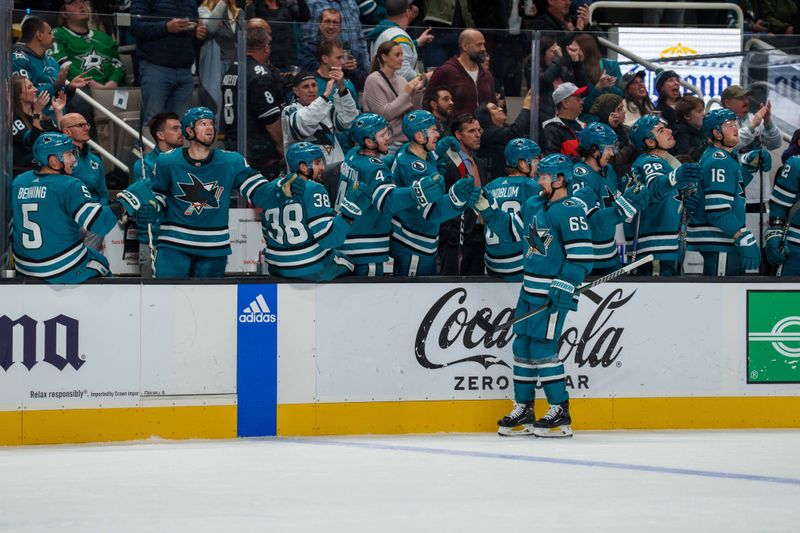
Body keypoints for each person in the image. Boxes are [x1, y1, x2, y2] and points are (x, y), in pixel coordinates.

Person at [475, 153, 593, 438]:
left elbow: (581, 257)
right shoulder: (534, 204)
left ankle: (559, 411)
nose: (537, 179)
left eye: (543, 176)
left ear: (560, 179)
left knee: (543, 349)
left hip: (553, 292)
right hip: (529, 289)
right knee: (523, 346)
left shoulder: (571, 209)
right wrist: (487, 209)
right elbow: (510, 231)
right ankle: (524, 408)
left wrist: (565, 284)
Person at [149, 107, 292, 278]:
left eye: (212, 124)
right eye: (203, 124)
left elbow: (258, 192)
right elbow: (159, 197)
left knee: (209, 303)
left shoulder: (231, 161)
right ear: (189, 130)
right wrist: (151, 207)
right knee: (166, 300)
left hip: (214, 248)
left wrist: (279, 190)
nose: (210, 128)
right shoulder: (167, 161)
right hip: (174, 246)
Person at [11, 132, 155, 283]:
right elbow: (100, 224)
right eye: (68, 154)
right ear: (53, 160)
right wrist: (129, 200)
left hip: (25, 267)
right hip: (60, 268)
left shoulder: (19, 181)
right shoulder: (69, 185)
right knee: (102, 263)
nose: (74, 160)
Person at [337, 112, 447, 276]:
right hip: (366, 248)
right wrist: (418, 191)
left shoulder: (352, 154)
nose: (388, 137)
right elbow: (388, 201)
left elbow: (381, 164)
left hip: (345, 237)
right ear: (368, 142)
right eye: (382, 135)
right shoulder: (375, 169)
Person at [260, 142, 368, 279]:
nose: (323, 167)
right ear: (303, 167)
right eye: (317, 163)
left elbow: (266, 233)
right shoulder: (314, 189)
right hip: (310, 268)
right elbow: (330, 240)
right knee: (356, 264)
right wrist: (349, 212)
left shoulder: (271, 188)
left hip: (276, 268)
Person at [389, 110, 478, 276]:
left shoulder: (410, 151)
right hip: (413, 245)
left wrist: (438, 154)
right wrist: (456, 200)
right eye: (433, 130)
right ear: (419, 136)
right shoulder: (414, 168)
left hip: (416, 242)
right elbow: (431, 212)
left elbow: (428, 168)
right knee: (413, 298)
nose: (438, 134)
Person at [687, 108, 770, 276]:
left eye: (736, 123)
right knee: (721, 300)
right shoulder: (719, 160)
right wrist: (744, 237)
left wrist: (749, 165)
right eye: (729, 125)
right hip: (718, 241)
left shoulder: (724, 157)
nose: (735, 128)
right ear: (716, 133)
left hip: (722, 241)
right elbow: (718, 211)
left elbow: (734, 187)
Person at [628, 114, 703, 276]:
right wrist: (677, 177)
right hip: (656, 245)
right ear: (649, 141)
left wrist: (687, 198)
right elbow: (656, 187)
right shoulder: (649, 161)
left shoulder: (667, 161)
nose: (669, 131)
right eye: (661, 130)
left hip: (667, 242)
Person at [222, 27, 285, 180]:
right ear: (266, 46)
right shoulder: (259, 74)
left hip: (232, 142)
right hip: (256, 148)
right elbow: (270, 118)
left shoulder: (231, 69)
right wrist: (281, 145)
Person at [131, 0, 206, 124]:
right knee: (154, 122)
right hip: (155, 68)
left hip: (185, 71)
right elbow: (136, 27)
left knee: (180, 124)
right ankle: (149, 144)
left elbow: (194, 40)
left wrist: (199, 36)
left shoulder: (190, 2)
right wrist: (166, 27)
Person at [131, 112, 185, 278]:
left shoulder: (188, 162)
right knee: (151, 300)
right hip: (154, 240)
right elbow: (147, 204)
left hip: (183, 240)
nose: (181, 132)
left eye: (180, 128)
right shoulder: (144, 165)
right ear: (160, 135)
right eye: (175, 128)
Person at [482, 138, 542, 280]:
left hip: (492, 264)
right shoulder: (532, 186)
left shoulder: (491, 186)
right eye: (534, 160)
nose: (538, 165)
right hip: (519, 264)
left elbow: (482, 218)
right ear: (522, 163)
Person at [439, 114, 490, 275]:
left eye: (479, 130)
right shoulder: (447, 162)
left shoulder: (480, 162)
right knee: (450, 287)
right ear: (458, 135)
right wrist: (449, 233)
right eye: (471, 131)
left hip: (479, 235)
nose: (478, 134)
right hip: (455, 237)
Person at [281, 69, 358, 167]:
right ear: (296, 91)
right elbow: (304, 126)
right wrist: (326, 94)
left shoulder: (326, 106)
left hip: (335, 171)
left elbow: (348, 121)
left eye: (314, 85)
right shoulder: (290, 111)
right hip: (307, 176)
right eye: (306, 87)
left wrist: (342, 88)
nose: (311, 90)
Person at [362, 41, 426, 154]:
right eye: (397, 55)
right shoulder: (373, 80)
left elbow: (415, 111)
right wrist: (407, 91)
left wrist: (417, 91)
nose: (401, 58)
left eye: (402, 54)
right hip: (386, 145)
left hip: (406, 142)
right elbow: (385, 114)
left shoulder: (401, 80)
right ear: (384, 57)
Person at [12, 15, 89, 104]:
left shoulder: (50, 59)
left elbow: (59, 94)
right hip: (37, 116)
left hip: (58, 115)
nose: (53, 37)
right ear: (39, 35)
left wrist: (70, 88)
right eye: (50, 33)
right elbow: (25, 96)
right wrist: (58, 84)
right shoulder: (19, 60)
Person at [61, 111, 108, 251]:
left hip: (91, 220)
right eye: (80, 125)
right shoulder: (58, 159)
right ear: (67, 131)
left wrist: (98, 213)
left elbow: (103, 194)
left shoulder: (95, 160)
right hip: (67, 219)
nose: (87, 128)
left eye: (87, 124)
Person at [53, 0, 126, 90]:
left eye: (82, 2)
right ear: (64, 13)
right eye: (74, 3)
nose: (81, 6)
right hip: (80, 91)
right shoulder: (58, 34)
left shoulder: (104, 37)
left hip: (111, 89)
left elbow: (118, 64)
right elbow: (61, 62)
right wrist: (88, 82)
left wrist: (113, 82)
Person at [423, 29, 496, 118]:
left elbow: (493, 106)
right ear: (465, 46)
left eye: (483, 44)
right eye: (479, 45)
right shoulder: (445, 71)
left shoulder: (487, 75)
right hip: (453, 130)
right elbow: (427, 103)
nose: (483, 49)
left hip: (483, 130)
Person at [365, 0, 434, 81]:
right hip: (399, 91)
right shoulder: (400, 37)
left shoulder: (383, 30)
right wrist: (426, 76)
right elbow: (403, 73)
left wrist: (417, 42)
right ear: (407, 12)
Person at [12, 76, 65, 175]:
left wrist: (58, 112)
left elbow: (60, 138)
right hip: (25, 172)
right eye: (29, 87)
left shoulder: (42, 115)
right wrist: (37, 112)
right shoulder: (13, 118)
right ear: (18, 94)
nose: (35, 89)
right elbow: (33, 140)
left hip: (47, 169)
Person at [314, 39, 360, 152]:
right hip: (323, 149)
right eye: (338, 58)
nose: (343, 62)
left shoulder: (347, 83)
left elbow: (355, 114)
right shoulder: (311, 86)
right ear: (325, 59)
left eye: (343, 57)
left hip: (348, 148)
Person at [475, 90, 532, 180]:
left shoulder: (505, 129)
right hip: (495, 184)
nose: (501, 109)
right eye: (495, 108)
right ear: (486, 116)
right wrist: (526, 106)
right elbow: (514, 132)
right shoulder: (487, 134)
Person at [198, 0, 239, 116]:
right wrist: (222, 3)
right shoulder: (203, 10)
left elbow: (243, 37)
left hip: (234, 65)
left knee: (234, 107)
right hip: (215, 66)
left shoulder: (237, 12)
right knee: (214, 106)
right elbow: (210, 28)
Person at [249, 0, 310, 71]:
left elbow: (304, 18)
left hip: (288, 59)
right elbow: (249, 25)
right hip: (266, 60)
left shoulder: (288, 5)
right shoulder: (256, 7)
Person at [765, 155, 800, 276]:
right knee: (788, 295)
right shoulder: (796, 164)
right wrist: (775, 233)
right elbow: (779, 206)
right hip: (796, 249)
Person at [573, 33, 622, 114]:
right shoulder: (576, 71)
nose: (574, 53)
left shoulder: (612, 65)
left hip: (614, 115)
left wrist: (609, 86)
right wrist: (599, 87)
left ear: (587, 49)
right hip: (590, 119)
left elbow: (621, 96)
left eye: (577, 50)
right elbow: (583, 107)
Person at [589, 93, 635, 179]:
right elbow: (614, 161)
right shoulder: (598, 135)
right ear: (609, 113)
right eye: (619, 109)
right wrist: (631, 146)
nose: (624, 111)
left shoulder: (624, 129)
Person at [541, 82, 587, 157]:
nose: (582, 102)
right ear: (565, 103)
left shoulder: (584, 127)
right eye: (578, 98)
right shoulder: (551, 130)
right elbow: (553, 161)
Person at [672, 95, 707, 162]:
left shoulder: (701, 130)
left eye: (703, 110)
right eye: (699, 111)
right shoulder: (680, 134)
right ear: (687, 116)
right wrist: (708, 145)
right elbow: (686, 158)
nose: (703, 114)